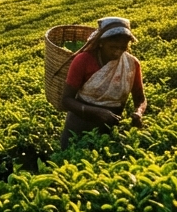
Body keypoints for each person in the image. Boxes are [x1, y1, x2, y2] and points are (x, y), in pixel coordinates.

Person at [60, 17, 147, 147]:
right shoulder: (83, 61)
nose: (118, 51)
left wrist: (138, 112)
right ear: (101, 43)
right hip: (79, 124)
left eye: (122, 47)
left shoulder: (131, 64)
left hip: (110, 127)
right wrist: (97, 112)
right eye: (113, 47)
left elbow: (140, 98)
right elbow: (66, 100)